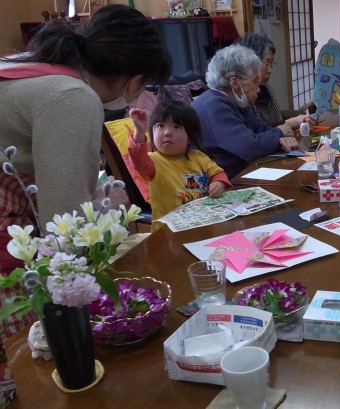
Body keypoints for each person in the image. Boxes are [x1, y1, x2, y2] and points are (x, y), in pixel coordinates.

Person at [0, 4, 170, 339]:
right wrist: (110, 207)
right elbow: (62, 233)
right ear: (134, 81)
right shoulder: (72, 96)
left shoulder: (27, 64)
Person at [192, 45, 299, 178]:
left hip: (241, 173)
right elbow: (249, 147)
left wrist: (280, 136)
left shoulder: (233, 101)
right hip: (221, 183)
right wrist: (280, 132)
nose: (258, 89)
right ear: (235, 83)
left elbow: (261, 129)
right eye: (255, 81)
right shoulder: (214, 105)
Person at [128, 100, 232, 227]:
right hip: (169, 232)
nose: (167, 133)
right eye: (160, 126)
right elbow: (138, 162)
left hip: (202, 224)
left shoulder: (200, 158)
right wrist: (139, 132)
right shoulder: (154, 161)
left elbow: (217, 173)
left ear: (191, 136)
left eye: (177, 127)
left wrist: (219, 183)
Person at [233, 33, 315, 131]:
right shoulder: (241, 95)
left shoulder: (267, 88)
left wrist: (297, 119)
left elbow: (278, 120)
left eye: (271, 63)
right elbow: (257, 133)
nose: (270, 69)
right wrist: (292, 122)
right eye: (266, 63)